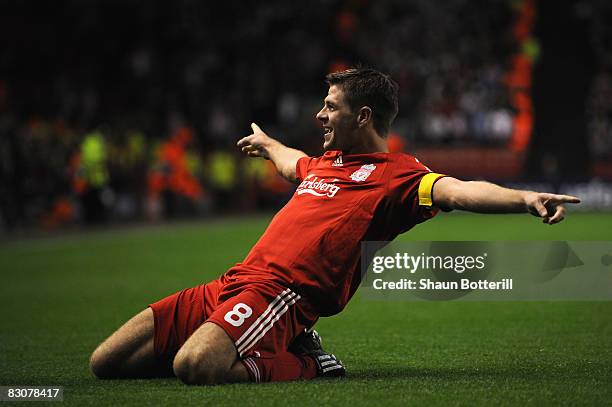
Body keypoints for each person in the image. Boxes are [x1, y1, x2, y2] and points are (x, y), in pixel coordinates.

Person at [89, 68, 580, 385]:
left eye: (330, 106)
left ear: (362, 115)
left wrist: (524, 198)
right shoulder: (327, 162)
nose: (319, 113)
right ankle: (245, 342)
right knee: (105, 363)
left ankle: (307, 362)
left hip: (280, 296)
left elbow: (459, 189)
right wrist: (269, 144)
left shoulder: (399, 176)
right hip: (232, 283)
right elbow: (291, 161)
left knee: (194, 366)